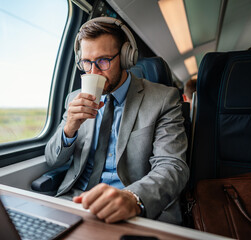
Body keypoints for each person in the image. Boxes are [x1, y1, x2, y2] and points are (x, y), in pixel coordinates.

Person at [45, 17, 189, 225]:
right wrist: (70, 128)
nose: (93, 72)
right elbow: (52, 159)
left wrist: (134, 198)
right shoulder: (74, 99)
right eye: (86, 62)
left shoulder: (163, 99)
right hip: (76, 200)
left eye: (103, 61)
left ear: (125, 57)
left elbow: (172, 166)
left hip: (133, 208)